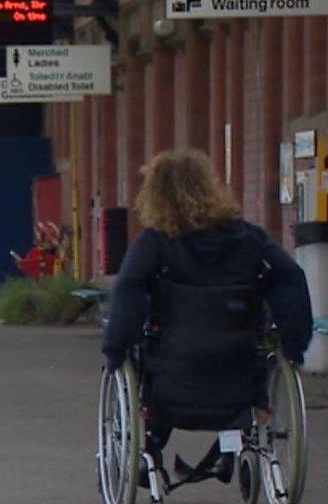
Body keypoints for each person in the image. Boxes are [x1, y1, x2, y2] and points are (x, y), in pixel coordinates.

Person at [101, 149, 313, 481]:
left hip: (172, 369)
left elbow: (128, 290)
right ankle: (228, 448)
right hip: (237, 367)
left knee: (146, 361)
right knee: (243, 360)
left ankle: (152, 448)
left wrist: (115, 350)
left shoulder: (155, 243)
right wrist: (293, 345)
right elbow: (291, 278)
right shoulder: (249, 238)